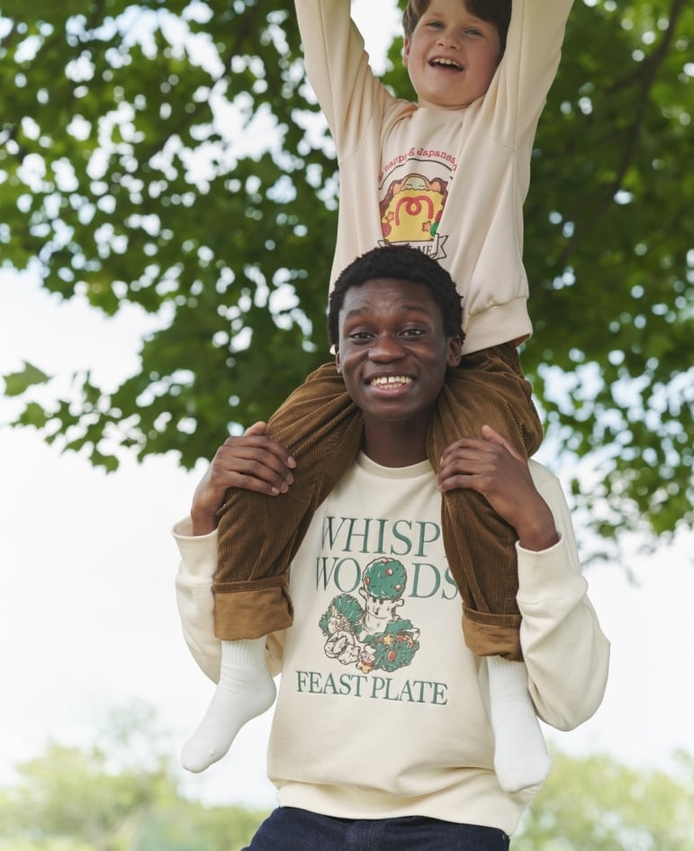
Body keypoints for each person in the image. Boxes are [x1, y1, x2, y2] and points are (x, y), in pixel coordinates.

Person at [181, 0, 575, 792]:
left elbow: (546, 9)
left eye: (476, 30)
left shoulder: (497, 130)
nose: (450, 37)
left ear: (501, 56)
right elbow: (326, 31)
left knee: (479, 483)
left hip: (473, 355)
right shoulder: (370, 126)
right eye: (432, 21)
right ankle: (239, 668)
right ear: (408, 38)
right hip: (364, 355)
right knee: (265, 462)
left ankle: (500, 686)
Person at [175, 246, 610, 849]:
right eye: (361, 334)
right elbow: (231, 663)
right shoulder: (292, 483)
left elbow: (572, 701)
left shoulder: (520, 487)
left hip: (457, 819)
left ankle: (500, 680)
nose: (384, 350)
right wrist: (203, 521)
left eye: (412, 331)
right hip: (304, 811)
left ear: (453, 349)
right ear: (338, 356)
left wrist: (537, 530)